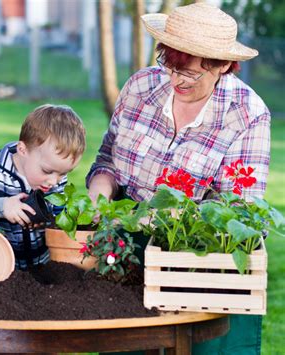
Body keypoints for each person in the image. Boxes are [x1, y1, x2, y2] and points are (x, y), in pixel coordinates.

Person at [87, 3, 269, 354]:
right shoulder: (141, 87)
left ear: (221, 67)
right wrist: (101, 189)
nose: (176, 80)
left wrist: (168, 219)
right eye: (170, 66)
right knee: (125, 343)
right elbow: (108, 157)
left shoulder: (247, 114)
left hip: (195, 255)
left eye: (191, 73)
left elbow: (243, 213)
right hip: (127, 245)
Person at [0, 104, 86, 270]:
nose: (54, 181)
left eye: (63, 173)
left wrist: (53, 221)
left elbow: (60, 218)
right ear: (22, 149)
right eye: (47, 170)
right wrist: (1, 207)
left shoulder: (54, 178)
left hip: (43, 267)